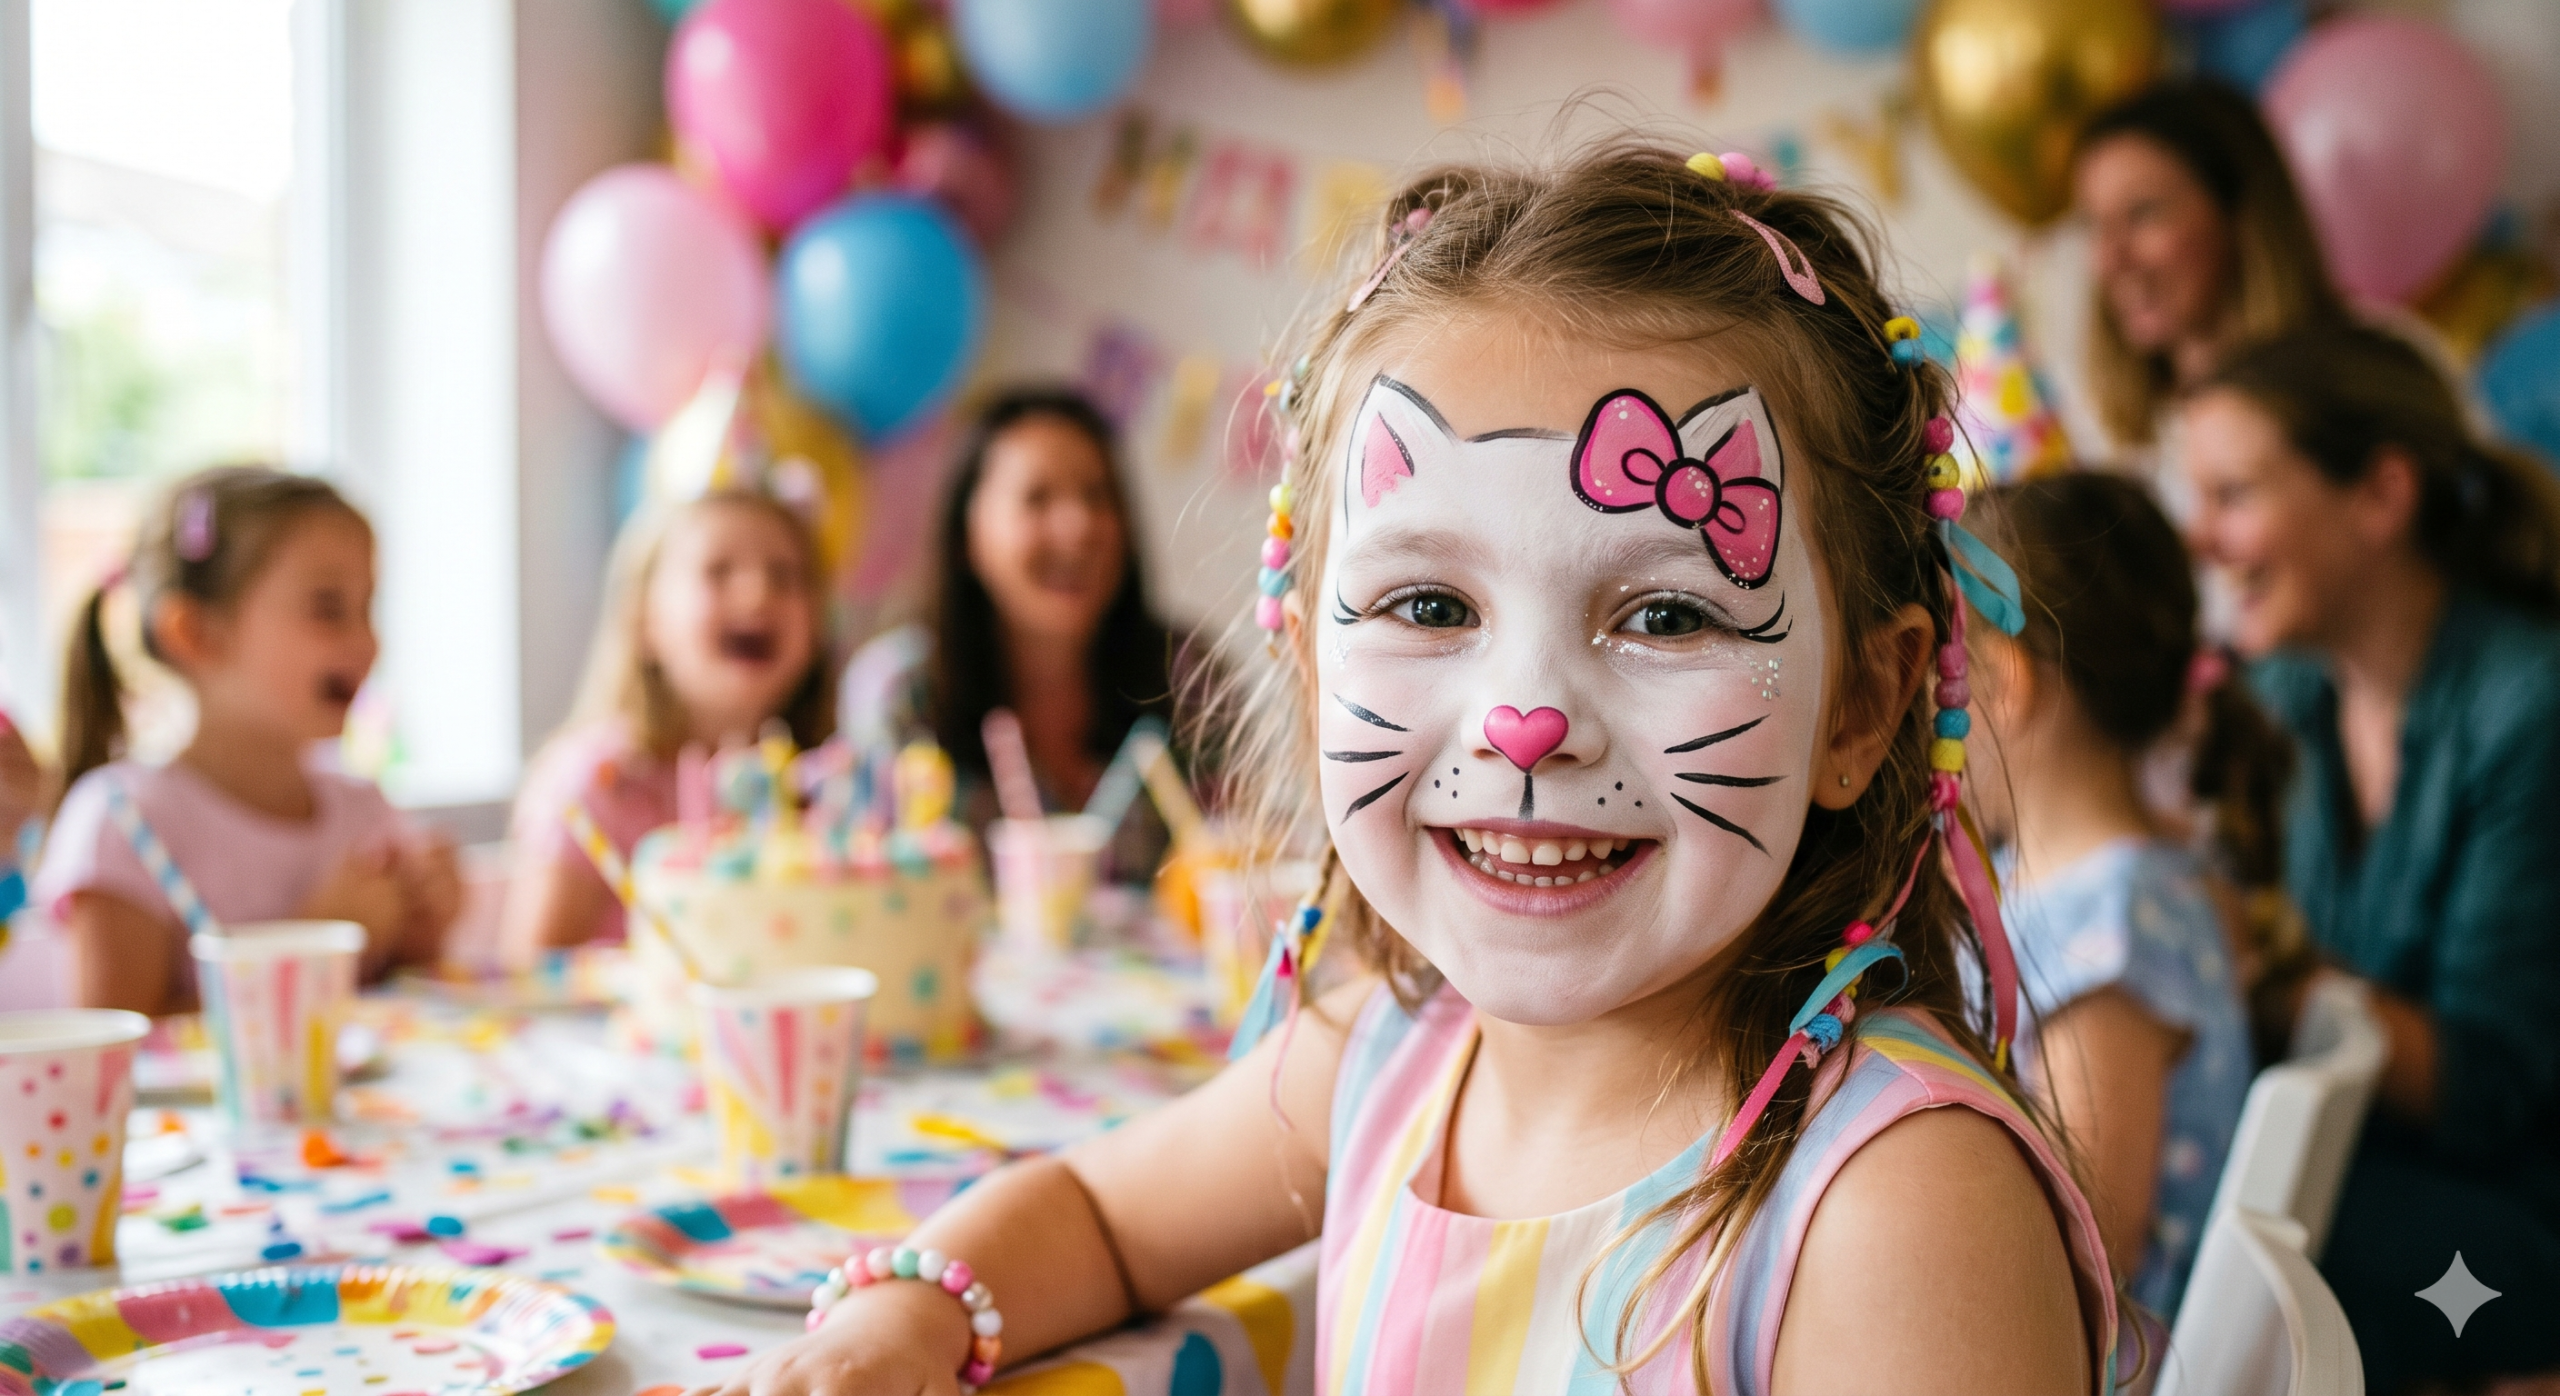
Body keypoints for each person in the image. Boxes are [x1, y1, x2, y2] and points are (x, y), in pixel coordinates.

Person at [697, 143, 2117, 1396]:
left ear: (1861, 709)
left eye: (1666, 613)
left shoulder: (1891, 1204)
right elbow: (1098, 1215)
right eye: (1432, 608)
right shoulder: (1389, 1053)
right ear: (1312, 670)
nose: (1526, 724)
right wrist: (903, 1316)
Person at [2181, 324, 2560, 1393]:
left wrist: (2262, 976)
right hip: (2389, 1174)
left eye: (2234, 494)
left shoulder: (2528, 707)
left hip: (2513, 1223)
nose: (2202, 538)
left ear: (2381, 496)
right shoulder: (2290, 699)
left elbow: (2483, 1089)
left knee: (2259, 1244)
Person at [1966, 473, 2285, 1332]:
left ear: (2003, 682)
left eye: (1936, 673)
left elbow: (2093, 1242)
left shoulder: (2105, 931)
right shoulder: (2160, 878)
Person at [31, 466, 457, 1016]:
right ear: (194, 633)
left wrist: (422, 929)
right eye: (328, 608)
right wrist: (313, 939)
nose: (368, 640)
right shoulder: (124, 823)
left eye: (368, 607)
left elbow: (397, 1017)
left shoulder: (362, 809)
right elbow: (118, 1052)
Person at [841, 390, 1187, 851]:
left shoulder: (1187, 675)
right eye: (1037, 499)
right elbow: (880, 874)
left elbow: (1247, 853)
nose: (1079, 525)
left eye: (1098, 495)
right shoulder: (902, 691)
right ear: (968, 534)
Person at [500, 489, 830, 963]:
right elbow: (530, 970)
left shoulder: (815, 786)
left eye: (785, 575)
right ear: (646, 622)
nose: (758, 593)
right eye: (718, 571)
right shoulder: (598, 781)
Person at [2070, 78, 2346, 462]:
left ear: (2241, 213)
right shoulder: (2100, 442)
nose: (2110, 260)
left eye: (2143, 213)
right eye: (2095, 226)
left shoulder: (2366, 385)